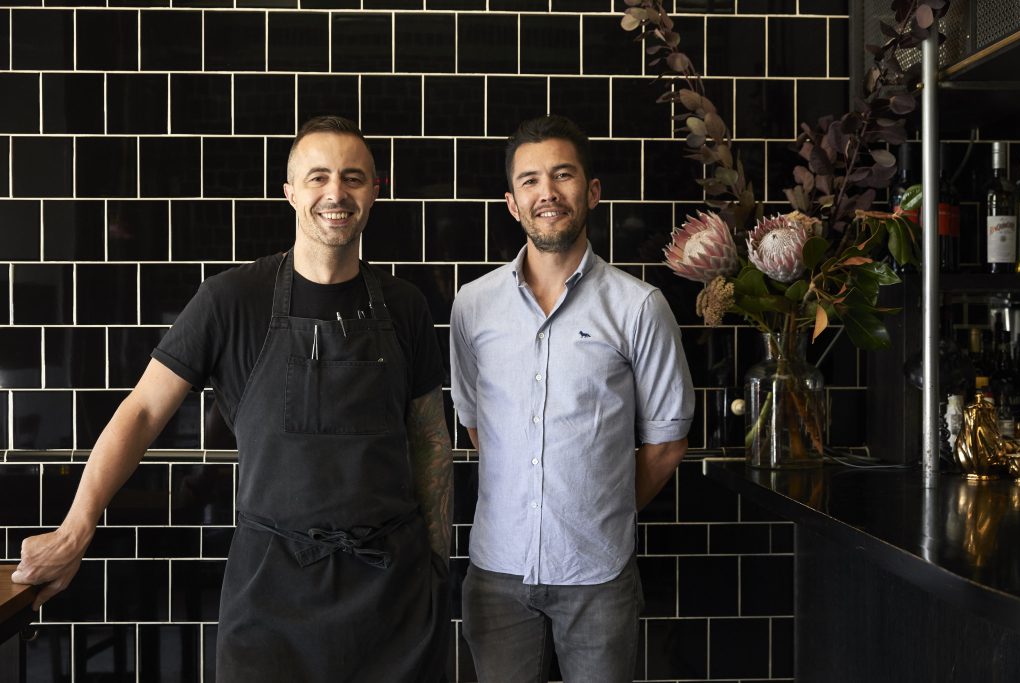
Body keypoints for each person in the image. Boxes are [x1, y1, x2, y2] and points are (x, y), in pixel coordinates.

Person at [13, 116, 453, 682]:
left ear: (374, 191)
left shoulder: (405, 305)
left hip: (392, 594)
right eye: (318, 177)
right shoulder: (230, 299)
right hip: (271, 593)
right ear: (290, 192)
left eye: (353, 177)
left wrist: (435, 566)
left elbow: (430, 439)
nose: (336, 193)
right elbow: (142, 411)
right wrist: (75, 529)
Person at [449, 115, 694, 682]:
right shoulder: (473, 305)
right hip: (497, 575)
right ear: (512, 203)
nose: (548, 193)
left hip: (598, 576)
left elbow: (667, 441)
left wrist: (594, 513)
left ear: (593, 191)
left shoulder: (638, 306)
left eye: (563, 175)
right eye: (530, 180)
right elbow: (478, 425)